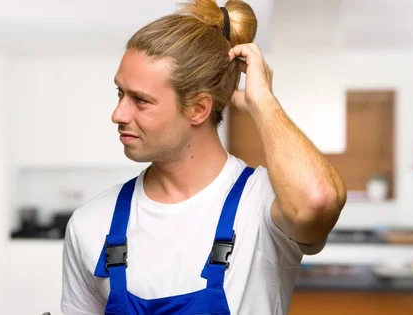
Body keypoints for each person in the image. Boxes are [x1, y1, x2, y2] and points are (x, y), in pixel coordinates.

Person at [61, 0, 347, 314]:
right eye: (120, 93)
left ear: (199, 109)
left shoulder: (263, 205)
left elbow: (318, 201)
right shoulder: (91, 223)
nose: (118, 114)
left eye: (140, 101)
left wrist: (262, 102)